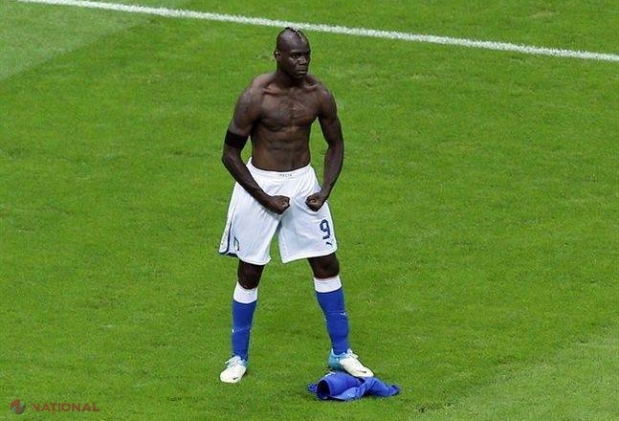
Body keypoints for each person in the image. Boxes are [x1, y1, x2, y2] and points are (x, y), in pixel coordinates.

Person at [218, 27, 373, 384]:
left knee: (327, 262)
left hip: (303, 183)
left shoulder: (318, 94)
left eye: (306, 54)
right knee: (250, 271)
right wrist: (265, 198)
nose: (303, 61)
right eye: (295, 55)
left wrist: (326, 188)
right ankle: (238, 357)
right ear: (278, 56)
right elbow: (229, 154)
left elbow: (336, 143)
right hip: (260, 184)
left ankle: (341, 353)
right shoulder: (256, 96)